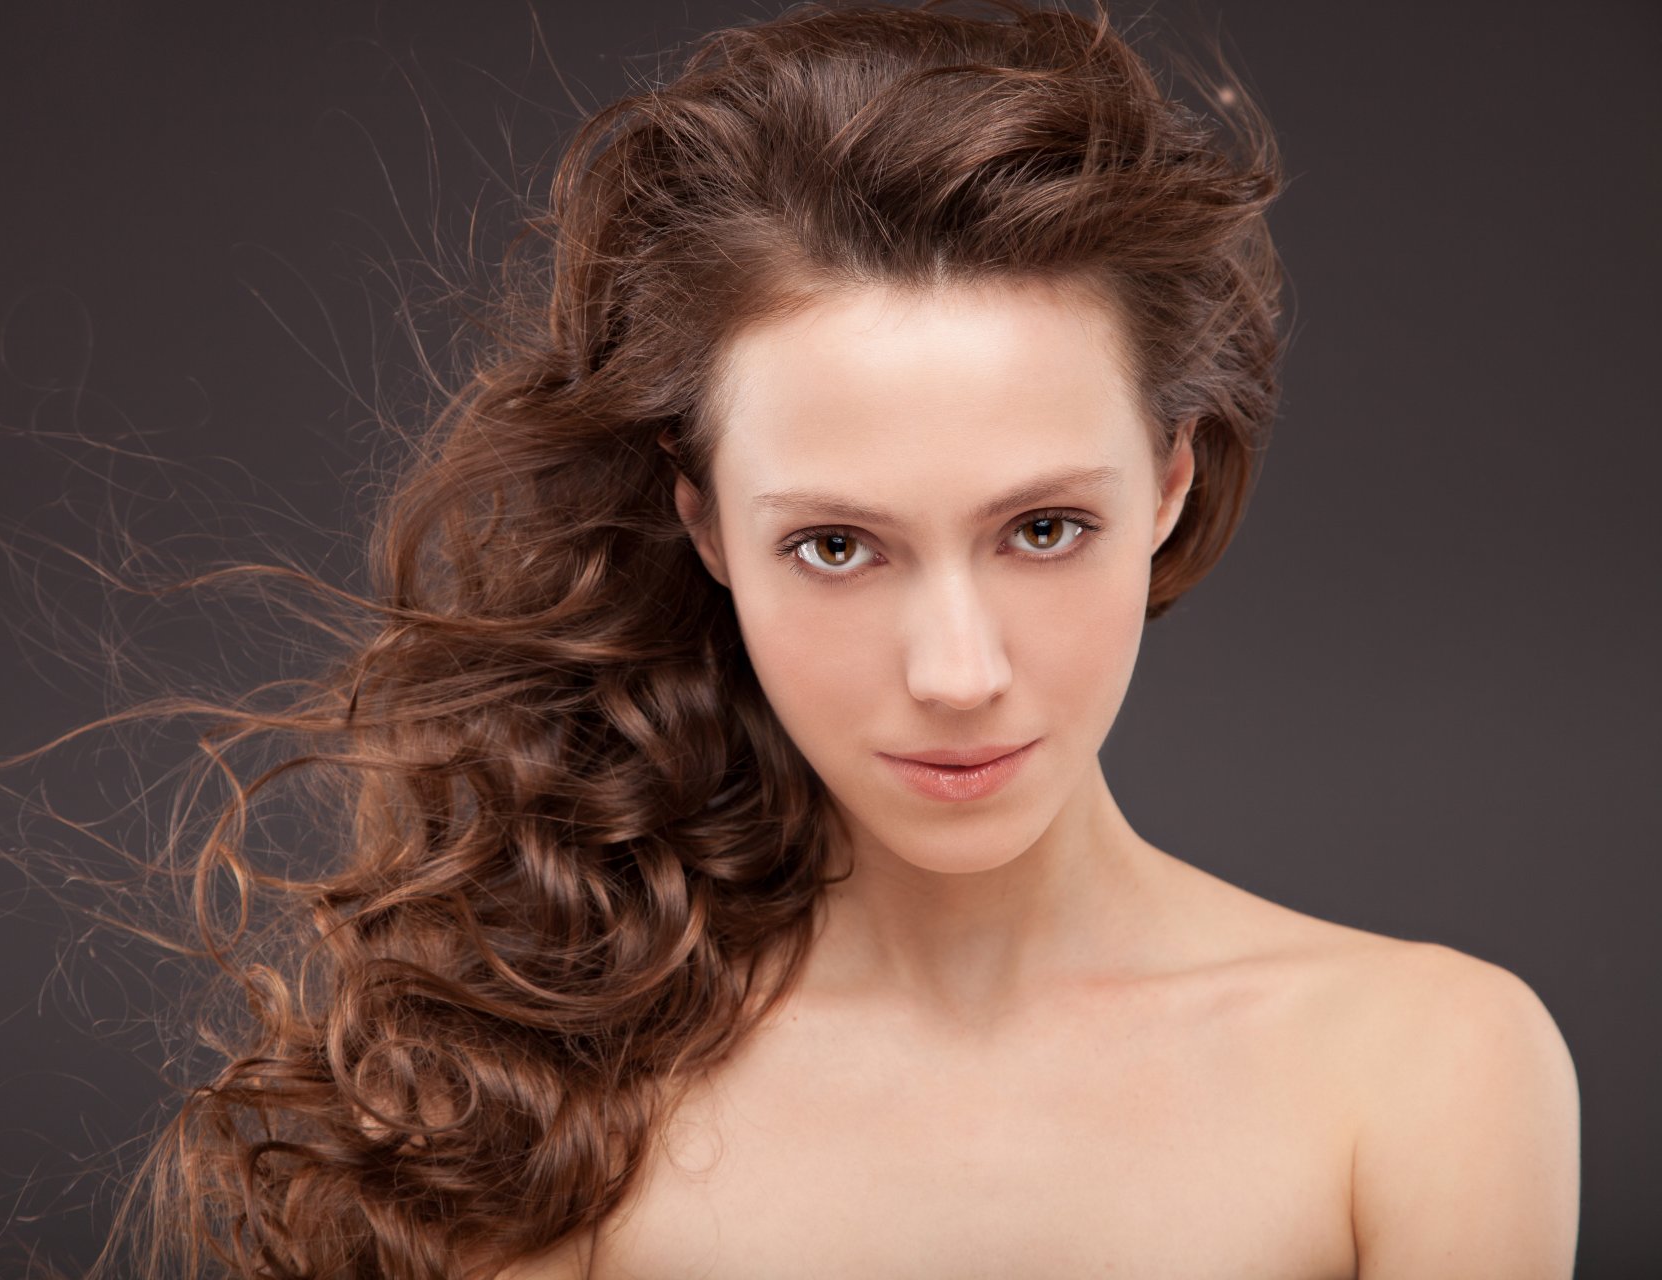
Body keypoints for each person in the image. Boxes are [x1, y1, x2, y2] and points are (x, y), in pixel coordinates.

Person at [80, 2, 1579, 1276]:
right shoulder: (543, 1090)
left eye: (1043, 529)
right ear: (709, 529)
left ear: (1171, 485)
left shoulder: (1427, 1069)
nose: (958, 671)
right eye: (837, 546)